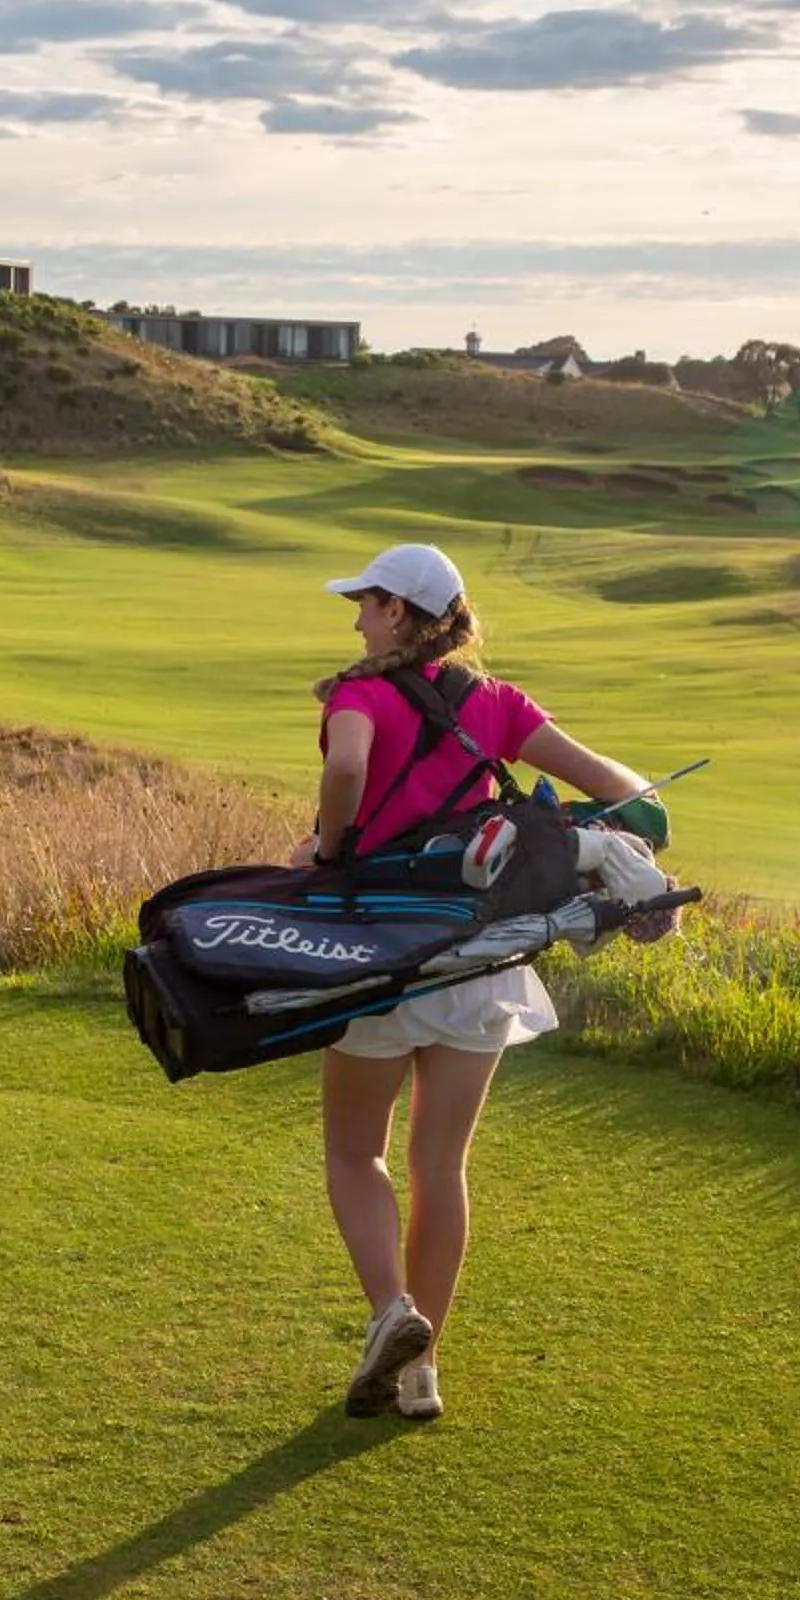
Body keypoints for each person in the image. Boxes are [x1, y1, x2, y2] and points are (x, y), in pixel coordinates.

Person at [296, 542, 654, 1421]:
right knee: (440, 1162)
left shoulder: (359, 693)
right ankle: (423, 1374)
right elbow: (624, 790)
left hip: (380, 953)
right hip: (481, 957)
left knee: (354, 1152)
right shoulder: (497, 704)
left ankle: (393, 1314)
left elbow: (346, 770)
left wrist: (329, 853)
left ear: (400, 614)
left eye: (367, 602)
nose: (356, 618)